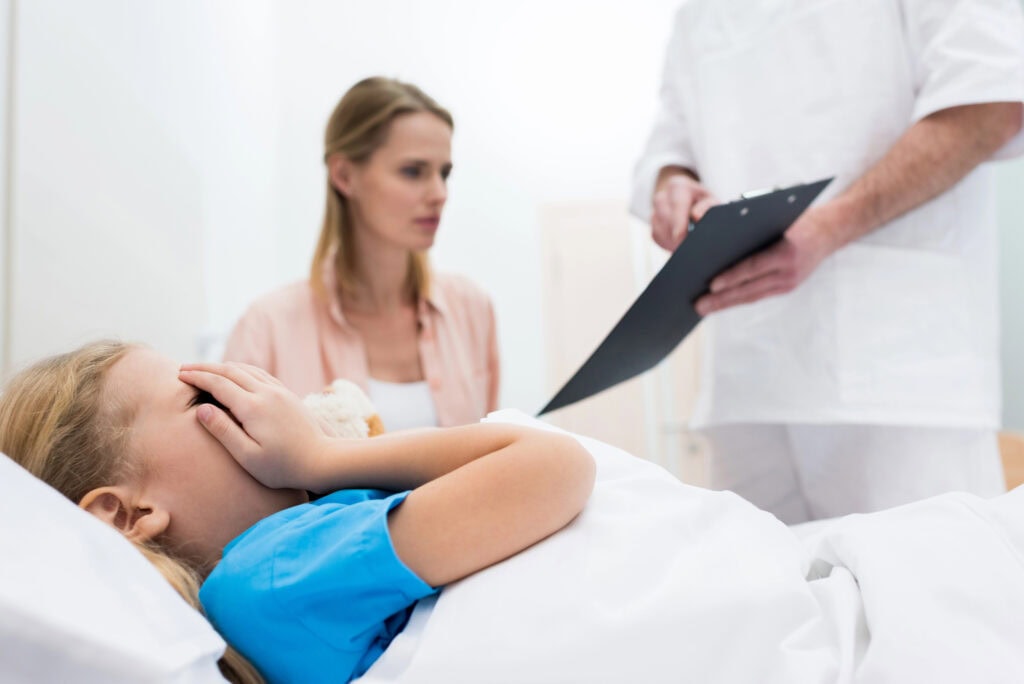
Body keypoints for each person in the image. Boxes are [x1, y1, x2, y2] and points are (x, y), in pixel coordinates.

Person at [3, 341, 1024, 682]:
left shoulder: (300, 549)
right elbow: (549, 472)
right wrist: (325, 454)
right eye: (202, 393)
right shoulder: (263, 580)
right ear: (124, 514)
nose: (249, 391)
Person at [631, 0, 1024, 523]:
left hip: (898, 372)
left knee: (922, 573)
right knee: (754, 575)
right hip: (745, 377)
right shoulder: (696, 13)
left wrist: (830, 226)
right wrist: (673, 186)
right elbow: (668, 149)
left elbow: (992, 101)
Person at [224, 77, 500, 430]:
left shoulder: (472, 309)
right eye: (413, 171)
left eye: (444, 173)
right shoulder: (267, 329)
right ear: (344, 175)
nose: (439, 193)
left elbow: (492, 448)